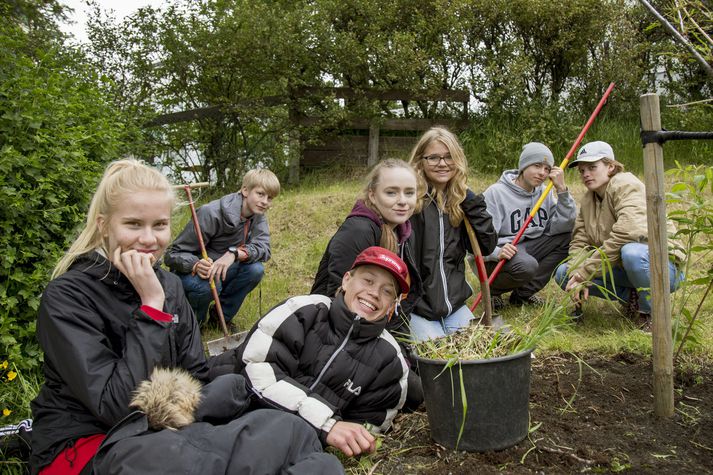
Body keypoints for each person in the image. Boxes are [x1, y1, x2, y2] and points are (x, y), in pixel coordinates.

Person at [30, 160, 342, 475]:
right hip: (89, 444)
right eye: (133, 224)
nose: (149, 240)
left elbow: (194, 375)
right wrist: (152, 307)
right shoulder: (68, 296)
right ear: (103, 225)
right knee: (197, 458)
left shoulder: (170, 286)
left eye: (160, 225)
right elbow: (114, 407)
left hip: (165, 428)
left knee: (290, 432)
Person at [233, 246, 411, 458]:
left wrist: (330, 432)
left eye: (387, 291)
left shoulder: (391, 362)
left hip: (301, 448)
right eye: (368, 281)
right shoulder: (303, 311)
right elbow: (256, 370)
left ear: (393, 305)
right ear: (346, 280)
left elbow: (364, 428)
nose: (374, 293)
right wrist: (325, 423)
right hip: (242, 414)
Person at [311, 158, 424, 410]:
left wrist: (399, 347)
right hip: (335, 333)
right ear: (372, 194)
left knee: (428, 372)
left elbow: (399, 300)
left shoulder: (402, 232)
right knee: (414, 394)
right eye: (391, 192)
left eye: (409, 192)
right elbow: (339, 298)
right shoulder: (359, 229)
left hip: (377, 323)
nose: (402, 200)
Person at [554, 141, 685, 329]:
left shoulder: (625, 184)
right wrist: (577, 272)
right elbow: (579, 241)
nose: (586, 174)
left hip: (662, 268)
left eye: (592, 167)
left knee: (631, 253)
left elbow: (627, 232)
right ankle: (635, 301)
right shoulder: (588, 199)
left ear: (611, 166)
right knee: (563, 274)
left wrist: (586, 272)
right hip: (624, 268)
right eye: (582, 170)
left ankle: (650, 313)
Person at [407, 126, 497, 341]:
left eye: (449, 157)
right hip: (416, 309)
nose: (443, 163)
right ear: (420, 161)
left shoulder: (459, 203)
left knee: (477, 355)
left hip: (454, 307)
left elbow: (487, 245)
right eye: (434, 158)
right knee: (438, 359)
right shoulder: (410, 205)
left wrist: (469, 200)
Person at [165, 169, 280, 326]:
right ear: (245, 190)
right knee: (208, 284)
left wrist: (234, 253)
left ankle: (219, 319)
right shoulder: (211, 213)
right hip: (193, 274)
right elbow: (172, 254)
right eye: (260, 194)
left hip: (222, 271)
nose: (265, 201)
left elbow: (264, 248)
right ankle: (193, 324)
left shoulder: (257, 216)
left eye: (270, 198)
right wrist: (196, 264)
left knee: (255, 270)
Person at [482, 142, 576, 309]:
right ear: (523, 166)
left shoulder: (543, 192)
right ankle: (492, 290)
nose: (542, 173)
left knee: (567, 239)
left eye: (547, 169)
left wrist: (562, 190)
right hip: (499, 254)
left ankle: (522, 294)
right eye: (537, 165)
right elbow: (479, 240)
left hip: (529, 247)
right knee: (527, 265)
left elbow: (565, 225)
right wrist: (497, 252)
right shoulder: (495, 193)